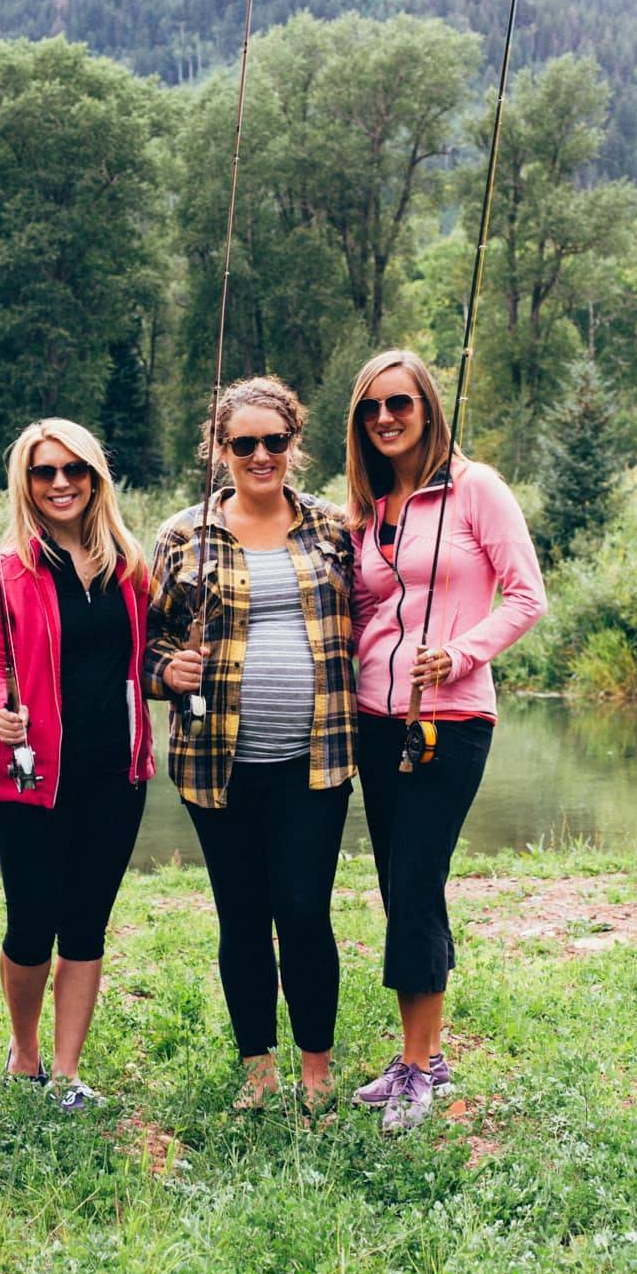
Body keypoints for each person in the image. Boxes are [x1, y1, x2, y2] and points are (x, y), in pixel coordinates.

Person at [346, 348, 546, 1132]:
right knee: (400, 885)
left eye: (399, 403)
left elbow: (527, 595)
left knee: (417, 877)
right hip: (373, 717)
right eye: (371, 409)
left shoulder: (476, 489)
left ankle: (420, 1066)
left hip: (450, 719)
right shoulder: (370, 507)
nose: (386, 419)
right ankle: (421, 1051)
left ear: (429, 406)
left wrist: (460, 653)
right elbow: (367, 614)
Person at [145, 376, 357, 1113]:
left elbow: (383, 609)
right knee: (241, 914)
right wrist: (167, 670)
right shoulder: (182, 533)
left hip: (318, 757)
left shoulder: (333, 527)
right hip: (215, 764)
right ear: (220, 449)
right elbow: (146, 648)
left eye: (275, 441)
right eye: (244, 444)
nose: (260, 455)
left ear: (294, 444)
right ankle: (258, 1069)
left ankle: (318, 1070)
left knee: (303, 910)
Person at [0, 418, 153, 1109]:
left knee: (86, 922)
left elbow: (149, 657)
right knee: (31, 920)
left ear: (94, 477)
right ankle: (25, 1056)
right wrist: (0, 708)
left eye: (73, 469)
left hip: (116, 772)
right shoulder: (5, 571)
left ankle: (69, 1073)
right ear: (27, 483)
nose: (60, 483)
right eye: (45, 472)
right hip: (29, 777)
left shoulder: (129, 565)